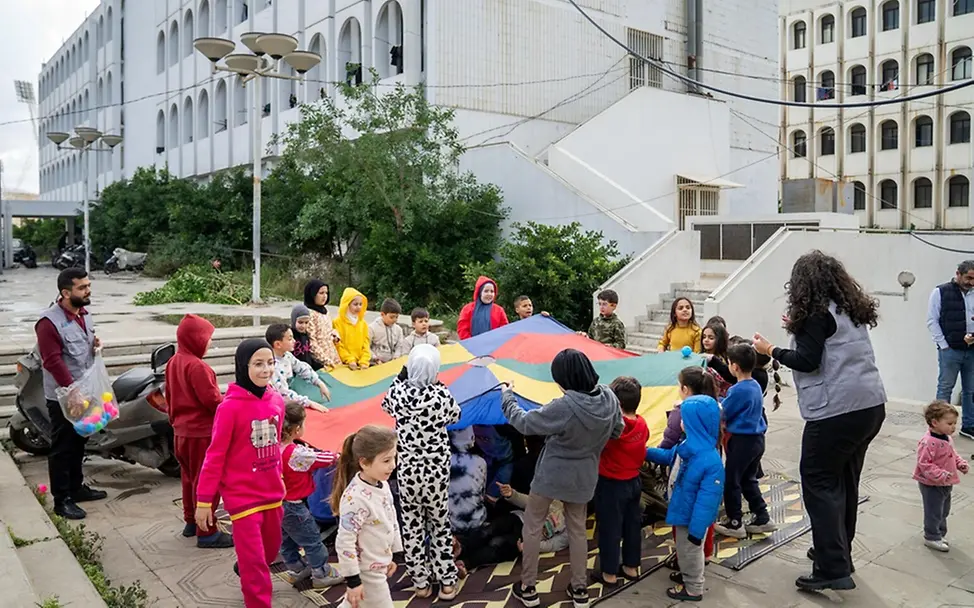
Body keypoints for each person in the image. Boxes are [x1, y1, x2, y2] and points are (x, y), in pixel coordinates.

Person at [753, 250, 886, 593]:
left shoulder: (814, 312)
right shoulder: (849, 309)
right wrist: (796, 332)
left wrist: (771, 350)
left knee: (818, 482)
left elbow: (808, 361)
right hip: (870, 406)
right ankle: (839, 553)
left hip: (836, 412)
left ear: (803, 283)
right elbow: (826, 344)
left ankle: (832, 568)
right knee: (844, 482)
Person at [501, 349, 623, 608]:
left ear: (564, 379)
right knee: (578, 531)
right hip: (585, 475)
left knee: (532, 527)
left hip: (550, 475)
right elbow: (617, 430)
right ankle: (580, 590)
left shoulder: (564, 405)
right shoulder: (610, 398)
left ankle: (529, 588)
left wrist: (507, 396)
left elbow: (524, 423)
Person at [195, 339, 287, 608]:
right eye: (258, 364)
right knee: (256, 562)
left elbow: (277, 444)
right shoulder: (229, 408)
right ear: (242, 366)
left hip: (272, 493)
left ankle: (246, 568)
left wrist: (280, 478)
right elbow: (214, 458)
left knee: (269, 551)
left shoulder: (277, 401)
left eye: (270, 363)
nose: (266, 369)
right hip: (243, 498)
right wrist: (204, 502)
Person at [380, 344, 461, 600]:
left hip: (408, 472)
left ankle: (421, 584)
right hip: (436, 472)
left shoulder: (399, 393)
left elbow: (386, 403)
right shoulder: (440, 394)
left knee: (412, 526)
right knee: (439, 524)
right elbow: (455, 416)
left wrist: (402, 374)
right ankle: (447, 582)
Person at [35, 268, 106, 520]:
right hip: (63, 396)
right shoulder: (48, 322)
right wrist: (72, 390)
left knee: (79, 442)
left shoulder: (84, 315)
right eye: (82, 287)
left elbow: (79, 344)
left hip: (85, 391)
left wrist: (94, 343)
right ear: (66, 293)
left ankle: (76, 488)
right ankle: (61, 499)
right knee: (63, 446)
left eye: (88, 285)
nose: (88, 291)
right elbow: (52, 360)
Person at [644, 390, 724, 602]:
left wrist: (698, 530)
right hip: (681, 510)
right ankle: (687, 575)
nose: (679, 421)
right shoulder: (687, 446)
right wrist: (644, 452)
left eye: (683, 419)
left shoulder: (709, 460)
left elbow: (708, 501)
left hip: (692, 520)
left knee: (691, 551)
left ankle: (693, 588)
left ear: (694, 424)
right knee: (684, 551)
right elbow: (668, 456)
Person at [165, 314, 232, 547]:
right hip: (200, 433)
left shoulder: (174, 361)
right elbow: (212, 401)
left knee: (188, 478)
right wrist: (230, 401)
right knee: (206, 482)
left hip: (181, 432)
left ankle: (191, 521)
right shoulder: (198, 367)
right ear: (195, 339)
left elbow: (170, 397)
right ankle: (208, 532)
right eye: (207, 338)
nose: (209, 343)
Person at [330, 425, 400, 608]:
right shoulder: (355, 499)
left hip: (378, 563)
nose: (393, 465)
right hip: (367, 572)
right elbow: (344, 542)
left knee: (354, 604)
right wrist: (353, 581)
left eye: (393, 458)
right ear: (364, 462)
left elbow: (390, 518)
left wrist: (394, 552)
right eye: (386, 460)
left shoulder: (382, 484)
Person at [713, 344, 776, 539]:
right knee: (748, 479)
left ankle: (735, 523)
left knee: (731, 481)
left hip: (742, 441)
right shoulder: (755, 384)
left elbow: (723, 411)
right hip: (757, 440)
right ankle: (762, 516)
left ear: (735, 367)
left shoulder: (739, 389)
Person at [279, 401, 344, 588]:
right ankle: (321, 572)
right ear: (297, 429)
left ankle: (296, 568)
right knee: (311, 539)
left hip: (277, 503)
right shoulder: (297, 453)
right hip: (294, 505)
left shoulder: (272, 447)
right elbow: (324, 458)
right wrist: (340, 456)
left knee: (285, 538)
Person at [658, 368, 717, 571]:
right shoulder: (713, 407)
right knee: (705, 516)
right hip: (699, 479)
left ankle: (689, 572)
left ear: (684, 388)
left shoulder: (682, 413)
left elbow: (668, 445)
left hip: (684, 484)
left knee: (684, 525)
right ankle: (705, 554)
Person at [593, 376, 649, 587]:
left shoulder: (612, 428)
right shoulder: (641, 424)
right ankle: (631, 567)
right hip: (634, 481)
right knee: (632, 525)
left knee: (610, 528)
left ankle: (609, 573)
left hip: (610, 485)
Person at [926, 260, 974, 438]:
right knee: (945, 388)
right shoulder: (941, 292)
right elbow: (932, 320)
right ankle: (938, 428)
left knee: (971, 390)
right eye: (968, 278)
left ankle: (969, 425)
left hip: (972, 349)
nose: (971, 282)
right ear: (958, 274)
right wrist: (944, 346)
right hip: (951, 350)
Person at [914, 400, 969, 552]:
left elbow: (952, 454)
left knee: (943, 510)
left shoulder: (946, 438)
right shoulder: (928, 442)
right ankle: (931, 536)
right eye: (950, 423)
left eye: (955, 423)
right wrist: (940, 474)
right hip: (932, 484)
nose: (953, 427)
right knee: (934, 511)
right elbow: (924, 464)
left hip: (946, 482)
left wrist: (960, 463)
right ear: (935, 422)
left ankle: (939, 533)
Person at [264, 323, 331, 412]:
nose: (294, 341)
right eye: (290, 339)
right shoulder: (273, 365)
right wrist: (309, 402)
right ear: (278, 344)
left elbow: (301, 367)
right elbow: (284, 394)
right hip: (276, 404)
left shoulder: (287, 355)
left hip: (288, 395)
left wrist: (319, 382)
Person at [447, 427, 488, 534]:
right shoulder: (480, 462)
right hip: (477, 520)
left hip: (450, 523)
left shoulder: (442, 462)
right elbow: (481, 492)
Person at [303, 280, 342, 370]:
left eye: (326, 293)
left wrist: (335, 335)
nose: (324, 296)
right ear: (312, 294)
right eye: (321, 293)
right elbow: (312, 341)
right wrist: (325, 360)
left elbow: (330, 329)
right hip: (320, 358)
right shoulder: (309, 314)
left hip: (332, 352)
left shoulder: (325, 311)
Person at [334, 288, 372, 369]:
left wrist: (364, 361)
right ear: (346, 304)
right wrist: (349, 360)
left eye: (360, 304)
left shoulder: (363, 324)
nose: (358, 307)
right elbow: (338, 345)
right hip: (344, 364)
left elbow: (366, 345)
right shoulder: (337, 323)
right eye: (355, 304)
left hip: (361, 365)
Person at [369, 298, 405, 364]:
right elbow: (366, 347)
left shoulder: (398, 330)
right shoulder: (372, 328)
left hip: (392, 364)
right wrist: (375, 358)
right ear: (382, 314)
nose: (394, 320)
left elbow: (400, 346)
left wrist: (396, 356)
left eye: (396, 317)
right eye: (391, 317)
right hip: (375, 364)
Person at [291, 304, 324, 371]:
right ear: (294, 321)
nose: (303, 326)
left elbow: (307, 355)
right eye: (300, 322)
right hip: (296, 372)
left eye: (306, 323)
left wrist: (319, 366)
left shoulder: (306, 335)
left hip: (306, 371)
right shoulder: (291, 336)